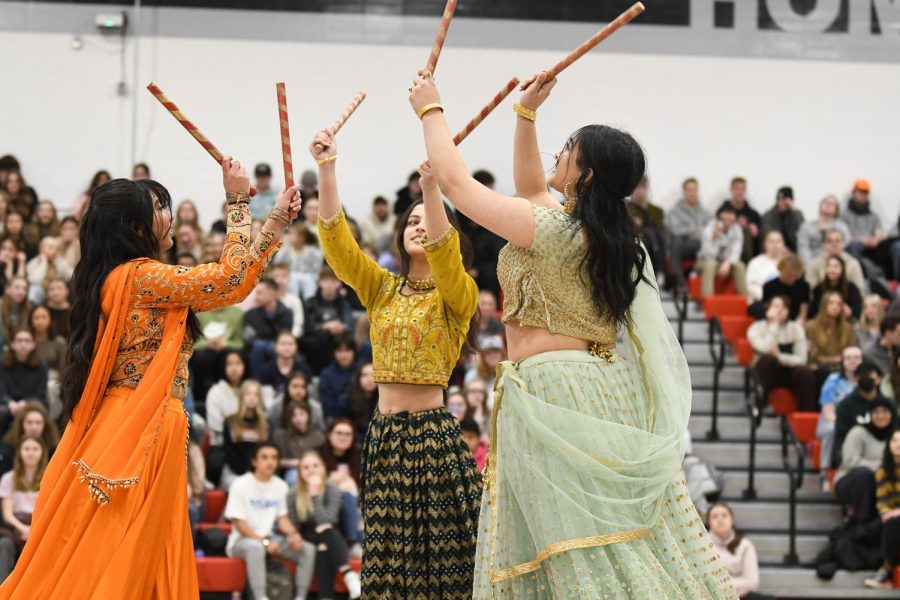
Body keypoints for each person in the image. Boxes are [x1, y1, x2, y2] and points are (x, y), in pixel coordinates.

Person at [410, 69, 733, 597]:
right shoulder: (587, 232)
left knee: (577, 546)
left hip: (554, 392)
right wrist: (525, 116)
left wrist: (431, 109)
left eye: (567, 149)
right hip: (576, 388)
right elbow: (532, 188)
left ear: (586, 175)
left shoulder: (560, 232)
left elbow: (456, 185)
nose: (556, 155)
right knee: (588, 543)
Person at [0, 160, 300, 598]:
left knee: (130, 551)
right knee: (123, 555)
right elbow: (229, 281)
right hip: (141, 425)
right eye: (158, 206)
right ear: (135, 226)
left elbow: (235, 282)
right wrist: (237, 202)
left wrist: (274, 221)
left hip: (139, 421)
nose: (169, 213)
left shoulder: (125, 277)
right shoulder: (140, 276)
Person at [311, 127, 483, 598]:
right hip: (385, 437)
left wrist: (431, 191)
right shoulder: (382, 288)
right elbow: (339, 249)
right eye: (410, 223)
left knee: (449, 569)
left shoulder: (458, 294)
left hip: (432, 438)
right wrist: (327, 169)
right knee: (388, 570)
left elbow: (447, 259)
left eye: (427, 222)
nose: (419, 227)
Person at [224, 442, 316, 600]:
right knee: (255, 547)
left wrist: (294, 534)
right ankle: (260, 597)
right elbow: (239, 524)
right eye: (264, 457)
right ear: (254, 461)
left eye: (274, 457)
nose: (270, 462)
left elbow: (282, 518)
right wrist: (264, 542)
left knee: (307, 549)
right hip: (242, 541)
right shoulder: (240, 484)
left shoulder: (280, 485)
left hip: (270, 538)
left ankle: (300, 596)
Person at [287, 450, 362, 600]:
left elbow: (328, 520)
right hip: (307, 534)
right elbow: (295, 523)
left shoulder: (332, 489)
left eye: (315, 465)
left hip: (332, 533)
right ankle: (349, 575)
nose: (311, 470)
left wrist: (314, 495)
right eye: (306, 467)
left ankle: (325, 596)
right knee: (324, 535)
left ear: (323, 468)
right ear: (300, 472)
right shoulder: (293, 493)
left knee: (324, 542)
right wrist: (312, 494)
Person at [747, 296, 816, 411]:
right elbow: (765, 348)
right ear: (767, 308)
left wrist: (780, 357)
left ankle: (807, 414)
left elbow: (801, 359)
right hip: (764, 371)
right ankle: (759, 404)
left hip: (787, 371)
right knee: (770, 359)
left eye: (783, 307)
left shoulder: (796, 328)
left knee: (804, 372)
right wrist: (774, 325)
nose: (779, 310)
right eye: (775, 306)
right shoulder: (756, 328)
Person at [833, 400, 896, 524]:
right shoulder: (858, 432)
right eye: (876, 412)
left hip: (886, 482)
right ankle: (862, 522)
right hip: (850, 480)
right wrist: (881, 466)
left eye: (884, 412)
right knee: (866, 476)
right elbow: (849, 461)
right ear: (870, 415)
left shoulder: (896, 435)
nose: (880, 416)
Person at [0, 436, 47, 582]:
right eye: (27, 449)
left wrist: (33, 529)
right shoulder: (9, 478)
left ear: (42, 452)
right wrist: (23, 528)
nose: (31, 453)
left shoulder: (49, 477)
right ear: (20, 452)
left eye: (35, 449)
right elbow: (7, 514)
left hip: (39, 525)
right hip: (15, 526)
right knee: (5, 544)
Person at [705, 503, 772, 600]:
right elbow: (704, 582)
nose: (720, 519)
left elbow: (752, 583)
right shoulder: (701, 546)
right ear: (708, 522)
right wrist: (737, 585)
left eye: (724, 515)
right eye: (715, 517)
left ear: (732, 520)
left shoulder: (745, 545)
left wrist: (720, 584)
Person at [832, 361, 890, 469]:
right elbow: (840, 438)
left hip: (884, 453)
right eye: (863, 378)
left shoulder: (888, 404)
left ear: (878, 380)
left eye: (870, 378)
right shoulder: (845, 405)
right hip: (855, 454)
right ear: (855, 381)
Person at [864, 428, 900, 589]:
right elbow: (882, 501)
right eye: (895, 440)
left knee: (893, 524)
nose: (898, 444)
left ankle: (885, 570)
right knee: (868, 529)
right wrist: (886, 513)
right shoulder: (883, 470)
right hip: (893, 517)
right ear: (888, 445)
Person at [817, 347, 863, 470]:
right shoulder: (833, 380)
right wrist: (846, 424)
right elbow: (828, 413)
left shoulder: (867, 381)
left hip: (860, 421)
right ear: (842, 362)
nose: (852, 361)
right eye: (848, 358)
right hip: (833, 421)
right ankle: (825, 470)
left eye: (856, 358)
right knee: (831, 429)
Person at [665, 177, 713, 293]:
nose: (692, 193)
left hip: (702, 245)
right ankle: (679, 279)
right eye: (689, 190)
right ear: (684, 192)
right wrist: (698, 229)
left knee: (678, 243)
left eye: (695, 189)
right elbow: (676, 230)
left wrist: (689, 230)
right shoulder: (675, 211)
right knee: (677, 241)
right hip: (685, 246)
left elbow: (711, 229)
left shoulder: (705, 212)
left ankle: (677, 277)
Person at [221, 380, 271, 490]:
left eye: (256, 395)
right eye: (248, 394)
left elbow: (267, 452)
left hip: (259, 470)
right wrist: (244, 475)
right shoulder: (230, 421)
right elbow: (229, 451)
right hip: (234, 471)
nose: (252, 398)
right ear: (242, 397)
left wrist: (255, 473)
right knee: (240, 486)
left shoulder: (266, 424)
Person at [0, 328, 48, 434]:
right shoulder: (2, 365)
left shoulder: (41, 366)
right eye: (19, 340)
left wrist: (25, 403)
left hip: (33, 403)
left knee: (36, 414)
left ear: (33, 344)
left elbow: (40, 393)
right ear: (12, 344)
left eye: (27, 341)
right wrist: (9, 403)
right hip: (8, 405)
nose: (23, 344)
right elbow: (1, 391)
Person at [698, 205, 748, 298]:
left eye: (731, 216)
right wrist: (713, 237)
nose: (728, 219)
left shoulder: (737, 229)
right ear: (720, 217)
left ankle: (746, 300)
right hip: (705, 261)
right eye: (726, 216)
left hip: (726, 262)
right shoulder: (709, 229)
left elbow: (736, 251)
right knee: (710, 264)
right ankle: (707, 301)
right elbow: (708, 255)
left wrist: (728, 263)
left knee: (740, 266)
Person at [805, 291, 857, 378]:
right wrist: (835, 359)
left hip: (843, 367)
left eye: (839, 304)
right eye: (831, 303)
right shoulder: (811, 327)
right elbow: (813, 354)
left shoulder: (848, 328)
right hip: (820, 368)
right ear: (823, 305)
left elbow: (852, 349)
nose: (835, 307)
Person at [274, 401, 325, 487]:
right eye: (293, 415)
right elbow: (278, 461)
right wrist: (299, 463)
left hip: (314, 469)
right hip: (292, 470)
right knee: (293, 476)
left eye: (302, 414)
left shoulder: (319, 436)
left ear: (308, 416)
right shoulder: (281, 436)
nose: (298, 418)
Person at [0, 402, 57, 477]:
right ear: (21, 424)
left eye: (38, 423)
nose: (34, 427)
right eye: (29, 422)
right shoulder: (9, 450)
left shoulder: (53, 450)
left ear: (45, 425)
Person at [205, 350, 247, 446]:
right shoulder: (215, 391)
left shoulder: (250, 389)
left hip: (248, 442)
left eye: (238, 363)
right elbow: (214, 423)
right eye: (229, 364)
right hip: (221, 443)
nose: (234, 368)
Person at [806, 226, 867, 293]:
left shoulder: (853, 264)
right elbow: (811, 289)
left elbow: (859, 289)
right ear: (824, 244)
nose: (834, 244)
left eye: (837, 241)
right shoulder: (814, 264)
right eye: (830, 241)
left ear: (843, 243)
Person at [750, 254, 809, 322]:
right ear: (781, 270)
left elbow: (803, 311)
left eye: (795, 276)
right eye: (789, 274)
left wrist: (797, 325)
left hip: (794, 321)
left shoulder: (803, 286)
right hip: (773, 320)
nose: (792, 278)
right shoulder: (769, 286)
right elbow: (768, 310)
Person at [797, 195, 850, 264]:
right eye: (826, 202)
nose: (828, 205)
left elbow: (845, 243)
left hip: (836, 263)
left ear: (836, 210)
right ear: (820, 205)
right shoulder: (807, 226)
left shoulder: (841, 226)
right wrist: (810, 266)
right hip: (813, 261)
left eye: (832, 204)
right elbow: (803, 248)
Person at [718, 177, 761, 263]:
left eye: (742, 189)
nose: (740, 192)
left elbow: (759, 232)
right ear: (731, 190)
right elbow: (717, 228)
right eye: (737, 188)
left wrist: (754, 229)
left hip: (749, 249)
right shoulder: (722, 210)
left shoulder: (753, 213)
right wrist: (734, 223)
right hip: (727, 249)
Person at [809, 255, 862, 320]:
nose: (832, 270)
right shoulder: (818, 289)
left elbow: (857, 311)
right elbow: (813, 312)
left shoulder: (851, 288)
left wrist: (849, 312)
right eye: (829, 266)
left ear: (842, 269)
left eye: (836, 266)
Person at [745, 230, 787, 303]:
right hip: (760, 301)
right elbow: (751, 286)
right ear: (765, 244)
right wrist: (768, 298)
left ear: (783, 244)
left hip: (785, 303)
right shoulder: (755, 263)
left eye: (778, 241)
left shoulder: (788, 263)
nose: (775, 245)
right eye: (771, 242)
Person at [760, 186, 804, 252]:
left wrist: (793, 213)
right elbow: (767, 235)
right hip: (774, 249)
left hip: (794, 251)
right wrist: (781, 247)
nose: (782, 203)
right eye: (780, 200)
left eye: (784, 201)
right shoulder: (769, 215)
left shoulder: (797, 214)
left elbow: (802, 234)